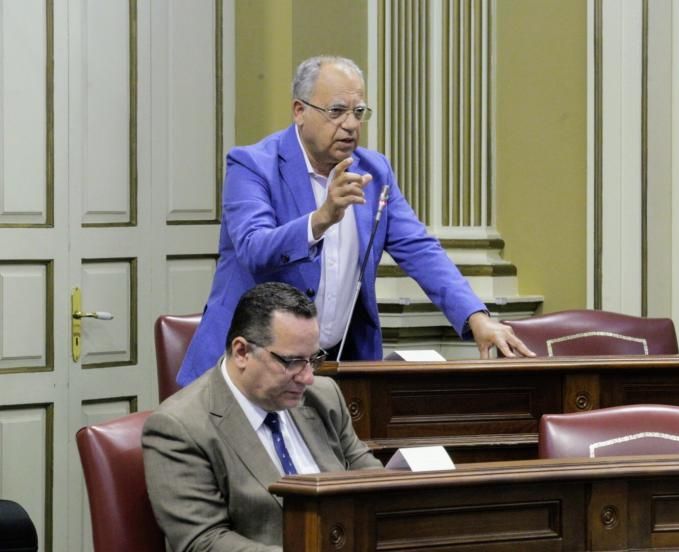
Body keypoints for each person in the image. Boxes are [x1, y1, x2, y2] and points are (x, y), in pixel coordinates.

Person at [177, 55, 533, 387]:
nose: (350, 125)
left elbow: (421, 251)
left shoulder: (375, 172)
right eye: (336, 111)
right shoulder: (253, 166)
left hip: (333, 369)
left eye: (358, 111)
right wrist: (320, 219)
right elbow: (255, 248)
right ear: (299, 111)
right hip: (247, 369)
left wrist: (477, 318)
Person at [143, 282, 381, 551]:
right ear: (242, 352)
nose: (308, 377)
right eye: (292, 362)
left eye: (313, 359)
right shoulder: (179, 427)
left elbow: (370, 480)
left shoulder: (323, 396)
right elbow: (203, 541)